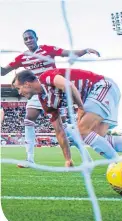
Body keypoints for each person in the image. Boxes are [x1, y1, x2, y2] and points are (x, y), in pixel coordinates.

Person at [12, 68, 122, 166]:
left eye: (19, 88)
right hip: (97, 94)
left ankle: (119, 166)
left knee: (82, 130)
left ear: (27, 84)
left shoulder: (46, 77)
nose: (19, 93)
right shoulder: (45, 101)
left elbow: (69, 86)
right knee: (98, 136)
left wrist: (81, 108)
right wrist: (68, 159)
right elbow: (59, 131)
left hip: (102, 86)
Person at [1, 29, 100, 167]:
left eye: (30, 38)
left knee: (63, 128)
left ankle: (86, 157)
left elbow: (66, 53)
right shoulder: (22, 58)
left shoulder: (47, 50)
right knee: (28, 120)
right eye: (26, 39)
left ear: (36, 38)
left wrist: (84, 50)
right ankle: (29, 159)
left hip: (53, 90)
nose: (29, 40)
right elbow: (4, 71)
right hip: (35, 91)